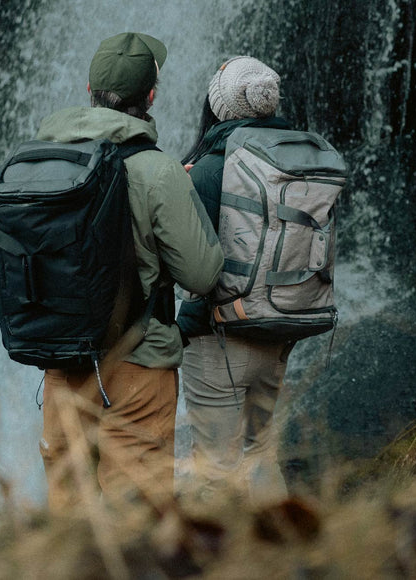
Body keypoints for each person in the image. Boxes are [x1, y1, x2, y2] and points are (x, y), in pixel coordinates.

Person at [37, 32, 224, 514]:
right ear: (151, 97)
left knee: (69, 527)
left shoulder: (43, 162)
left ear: (88, 89)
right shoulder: (157, 170)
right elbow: (202, 276)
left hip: (63, 363)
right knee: (139, 523)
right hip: (140, 364)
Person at [177, 55, 296, 505]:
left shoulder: (209, 170)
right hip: (280, 329)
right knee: (262, 454)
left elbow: (192, 267)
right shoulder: (290, 162)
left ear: (219, 108)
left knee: (215, 473)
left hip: (220, 338)